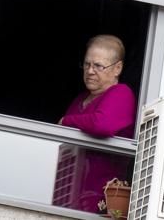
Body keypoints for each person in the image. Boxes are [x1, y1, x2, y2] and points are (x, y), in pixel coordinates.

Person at [55, 34, 136, 213]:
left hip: (98, 200)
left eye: (98, 66)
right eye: (87, 64)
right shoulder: (80, 99)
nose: (90, 71)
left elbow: (102, 124)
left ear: (117, 68)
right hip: (67, 193)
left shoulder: (121, 94)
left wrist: (65, 121)